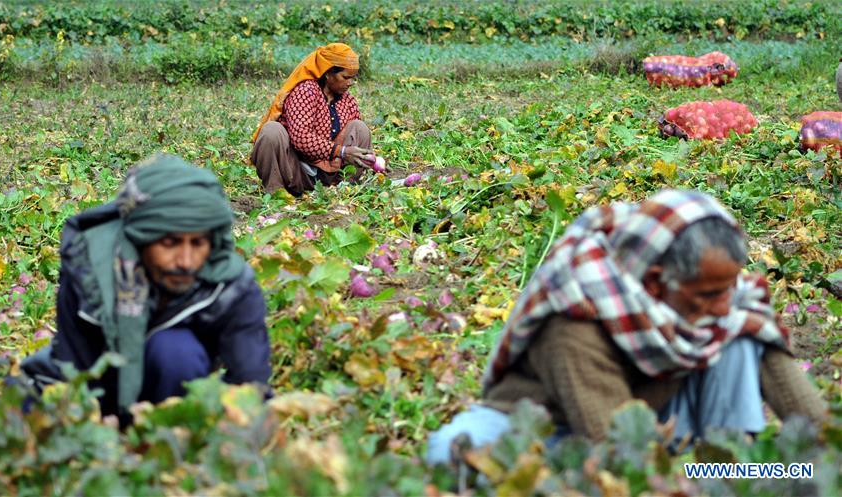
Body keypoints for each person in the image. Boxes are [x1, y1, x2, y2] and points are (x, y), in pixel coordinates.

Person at [427, 189, 827, 465]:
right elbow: (618, 450)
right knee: (450, 450)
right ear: (655, 282)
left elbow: (799, 397)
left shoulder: (709, 289)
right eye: (707, 295)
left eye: (729, 288)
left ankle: (731, 468)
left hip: (656, 412)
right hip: (555, 429)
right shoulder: (576, 318)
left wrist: (831, 447)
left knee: (741, 338)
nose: (724, 305)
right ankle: (720, 476)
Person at [20, 153, 271, 425]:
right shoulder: (91, 267)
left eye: (198, 243)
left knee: (175, 351)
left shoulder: (231, 285)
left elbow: (250, 385)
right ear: (141, 238)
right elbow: (74, 367)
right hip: (100, 387)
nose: (185, 261)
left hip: (177, 394)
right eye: (170, 243)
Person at [250, 42, 375, 196]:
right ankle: (276, 191)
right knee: (271, 131)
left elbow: (356, 142)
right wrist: (341, 151)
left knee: (360, 128)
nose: (350, 83)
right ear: (328, 73)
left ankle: (345, 189)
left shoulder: (347, 100)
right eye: (345, 77)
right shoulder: (305, 91)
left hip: (330, 175)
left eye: (353, 78)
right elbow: (300, 137)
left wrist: (373, 162)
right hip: (297, 172)